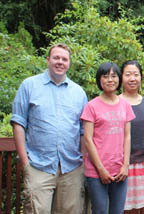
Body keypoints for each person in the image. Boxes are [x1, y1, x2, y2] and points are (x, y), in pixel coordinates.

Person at [11, 43, 88, 213]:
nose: (60, 62)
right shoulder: (29, 86)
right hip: (38, 166)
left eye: (64, 59)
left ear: (69, 63)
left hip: (72, 168)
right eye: (56, 58)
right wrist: (25, 164)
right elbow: (18, 124)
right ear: (48, 60)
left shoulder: (79, 92)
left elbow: (83, 131)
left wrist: (83, 163)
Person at [81, 62, 135, 214]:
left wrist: (125, 166)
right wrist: (101, 170)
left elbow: (127, 136)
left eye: (114, 76)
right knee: (100, 211)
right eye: (105, 76)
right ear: (99, 80)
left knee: (118, 211)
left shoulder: (125, 105)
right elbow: (88, 140)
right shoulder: (91, 106)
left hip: (120, 171)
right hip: (97, 172)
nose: (110, 80)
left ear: (119, 79)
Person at [119, 60, 144, 211]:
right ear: (121, 77)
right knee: (122, 207)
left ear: (141, 77)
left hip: (143, 164)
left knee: (140, 208)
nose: (132, 78)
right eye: (128, 74)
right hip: (121, 166)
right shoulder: (116, 102)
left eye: (136, 74)